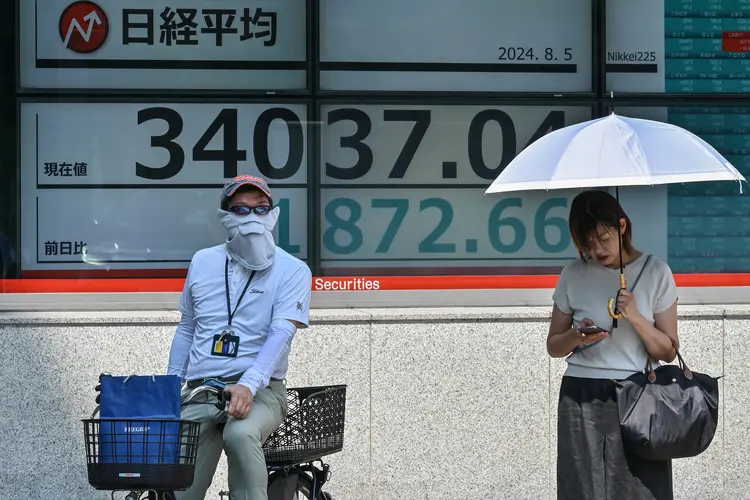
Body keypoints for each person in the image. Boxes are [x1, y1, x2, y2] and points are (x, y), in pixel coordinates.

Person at [168, 174, 312, 500]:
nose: (252, 219)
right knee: (178, 484)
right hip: (203, 388)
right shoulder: (203, 262)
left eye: (261, 209)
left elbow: (281, 333)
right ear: (226, 216)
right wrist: (170, 385)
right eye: (242, 210)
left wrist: (248, 383)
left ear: (273, 214)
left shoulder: (293, 270)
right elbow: (187, 327)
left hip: (261, 391)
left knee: (241, 432)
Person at [547, 189, 679, 500]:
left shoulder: (656, 272)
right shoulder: (573, 274)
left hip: (639, 394)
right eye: (587, 244)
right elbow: (554, 346)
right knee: (581, 487)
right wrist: (577, 336)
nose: (596, 249)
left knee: (642, 489)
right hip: (581, 394)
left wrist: (634, 316)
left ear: (621, 226)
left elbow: (669, 350)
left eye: (602, 238)